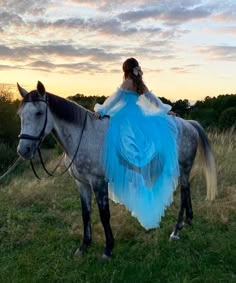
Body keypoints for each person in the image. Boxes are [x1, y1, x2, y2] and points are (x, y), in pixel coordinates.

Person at [94, 58, 179, 229]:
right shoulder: (140, 84)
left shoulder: (127, 82)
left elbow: (114, 100)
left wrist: (102, 110)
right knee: (139, 146)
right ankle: (139, 177)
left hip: (125, 117)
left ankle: (130, 179)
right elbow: (153, 100)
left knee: (119, 144)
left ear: (125, 70)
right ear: (137, 69)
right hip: (139, 116)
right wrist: (165, 110)